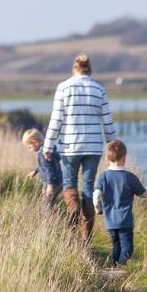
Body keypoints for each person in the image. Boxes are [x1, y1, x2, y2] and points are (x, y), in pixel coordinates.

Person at [42, 54, 116, 240]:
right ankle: (86, 238)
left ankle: (73, 210)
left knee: (69, 184)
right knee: (88, 189)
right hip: (93, 147)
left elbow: (56, 119)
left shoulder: (63, 88)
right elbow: (107, 122)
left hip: (69, 146)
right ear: (89, 70)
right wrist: (113, 146)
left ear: (73, 69)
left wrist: (48, 145)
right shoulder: (99, 90)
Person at [93, 140, 147, 266]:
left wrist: (98, 209)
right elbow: (143, 193)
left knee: (116, 246)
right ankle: (121, 264)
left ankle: (115, 267)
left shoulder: (104, 176)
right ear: (124, 157)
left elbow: (96, 194)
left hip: (110, 221)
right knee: (127, 248)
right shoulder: (129, 177)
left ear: (107, 158)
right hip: (125, 220)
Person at [23, 128, 62, 208]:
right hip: (59, 181)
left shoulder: (42, 154)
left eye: (29, 147)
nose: (30, 150)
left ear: (35, 143)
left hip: (51, 183)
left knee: (46, 207)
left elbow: (48, 170)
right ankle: (54, 218)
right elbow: (45, 165)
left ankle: (49, 220)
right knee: (50, 205)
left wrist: (50, 185)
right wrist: (35, 171)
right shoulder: (49, 149)